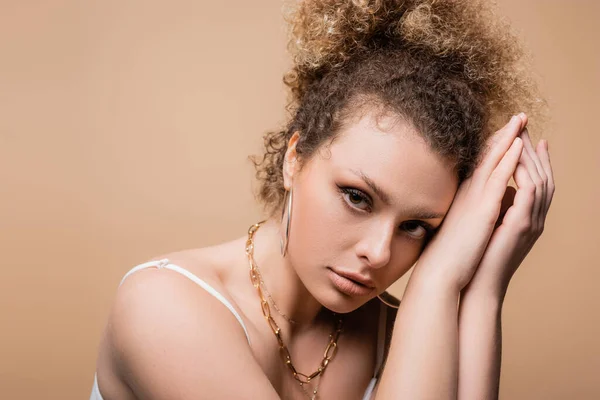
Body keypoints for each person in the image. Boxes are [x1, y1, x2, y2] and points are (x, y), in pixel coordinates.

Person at [90, 0, 554, 399]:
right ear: (295, 159)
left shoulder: (405, 332)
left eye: (416, 226)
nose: (379, 252)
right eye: (357, 197)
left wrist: (482, 289)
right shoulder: (164, 307)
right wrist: (435, 285)